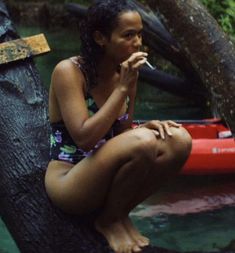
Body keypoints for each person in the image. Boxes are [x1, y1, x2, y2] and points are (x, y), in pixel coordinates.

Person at [45, 1, 192, 252]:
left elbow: (122, 134)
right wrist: (123, 89)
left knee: (179, 140)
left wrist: (146, 126)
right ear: (101, 37)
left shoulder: (123, 73)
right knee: (144, 141)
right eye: (128, 35)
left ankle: (117, 214)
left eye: (140, 34)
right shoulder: (69, 71)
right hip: (70, 180)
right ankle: (109, 221)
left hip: (106, 176)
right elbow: (84, 138)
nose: (138, 43)